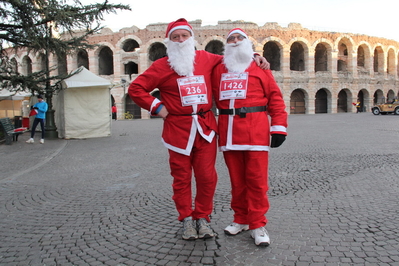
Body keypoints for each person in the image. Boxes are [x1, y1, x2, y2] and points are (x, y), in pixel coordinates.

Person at [128, 18, 268, 240]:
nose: (181, 40)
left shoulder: (205, 58)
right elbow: (136, 88)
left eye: (184, 36)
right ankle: (186, 219)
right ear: (170, 41)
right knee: (181, 178)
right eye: (176, 37)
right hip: (178, 130)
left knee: (206, 177)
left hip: (205, 128)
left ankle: (202, 217)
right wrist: (157, 107)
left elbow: (233, 56)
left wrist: (255, 56)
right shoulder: (161, 66)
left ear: (191, 38)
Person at [212, 28, 288, 246]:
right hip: (229, 133)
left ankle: (257, 224)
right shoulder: (219, 68)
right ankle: (241, 218)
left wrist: (279, 127)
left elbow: (275, 98)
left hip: (255, 132)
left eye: (239, 38)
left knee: (256, 181)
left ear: (248, 43)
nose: (235, 42)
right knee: (237, 182)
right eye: (231, 39)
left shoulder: (259, 67)